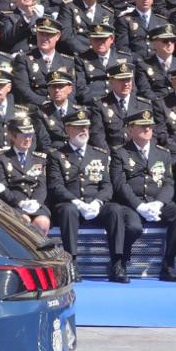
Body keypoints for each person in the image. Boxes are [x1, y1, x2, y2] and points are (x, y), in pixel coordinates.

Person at [48, 107, 131, 281]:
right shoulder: (57, 155)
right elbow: (56, 186)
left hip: (95, 205)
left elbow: (107, 186)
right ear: (67, 129)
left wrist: (98, 202)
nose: (83, 131)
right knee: (68, 211)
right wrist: (77, 203)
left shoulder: (99, 154)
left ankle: (117, 263)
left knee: (115, 210)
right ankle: (72, 263)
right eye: (78, 127)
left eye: (85, 127)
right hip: (71, 204)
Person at [112, 108, 176, 282]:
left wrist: (159, 203)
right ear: (130, 130)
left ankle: (169, 264)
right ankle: (121, 263)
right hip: (132, 204)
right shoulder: (120, 153)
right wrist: (139, 206)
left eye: (149, 126)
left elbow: (169, 182)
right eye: (142, 126)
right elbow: (120, 184)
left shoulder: (162, 153)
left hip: (156, 203)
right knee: (133, 227)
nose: (147, 129)